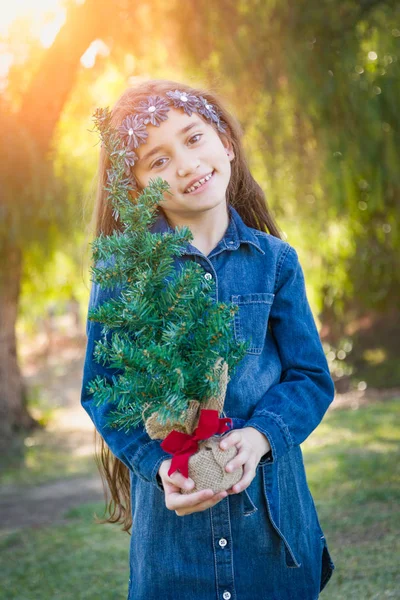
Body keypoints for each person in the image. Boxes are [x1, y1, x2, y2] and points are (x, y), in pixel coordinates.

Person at [81, 79, 336, 600]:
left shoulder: (275, 263)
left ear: (226, 142)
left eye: (194, 139)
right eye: (158, 161)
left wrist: (262, 434)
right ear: (135, 188)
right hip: (175, 548)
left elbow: (310, 378)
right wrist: (158, 467)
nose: (185, 164)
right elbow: (101, 389)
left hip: (272, 530)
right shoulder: (124, 274)